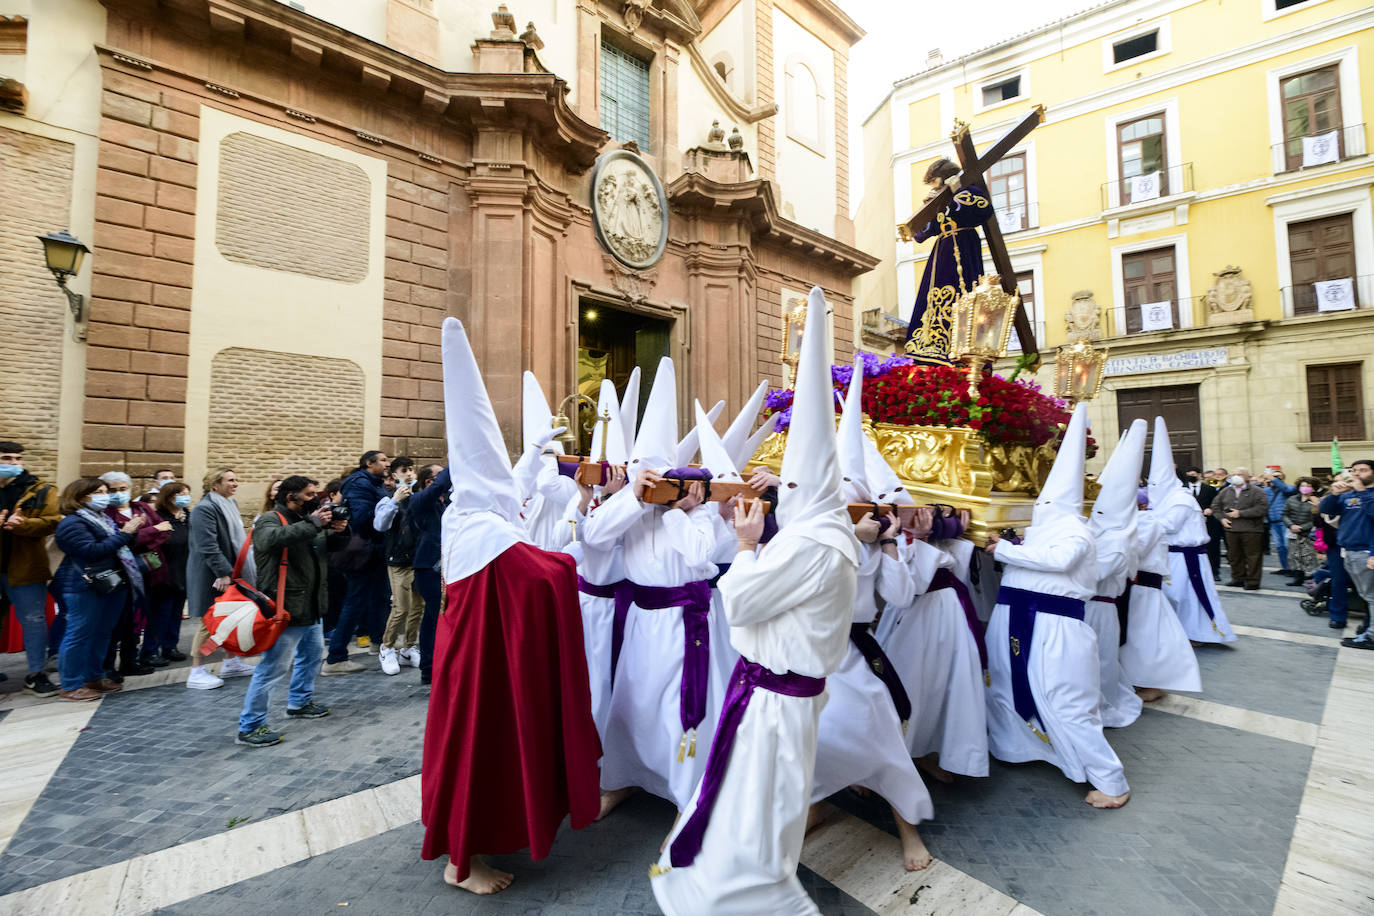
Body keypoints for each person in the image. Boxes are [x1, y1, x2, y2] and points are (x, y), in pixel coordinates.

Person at [651, 286, 862, 914]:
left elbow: (741, 602)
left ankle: (763, 902)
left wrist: (745, 545)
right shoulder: (821, 531)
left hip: (776, 697)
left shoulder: (815, 542)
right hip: (773, 692)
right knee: (752, 808)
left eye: (788, 484)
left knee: (760, 815)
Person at [421, 317, 599, 894]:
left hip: (471, 662)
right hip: (481, 669)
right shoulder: (491, 535)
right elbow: (541, 576)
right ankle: (461, 865)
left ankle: (464, 849)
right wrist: (571, 557)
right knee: (476, 748)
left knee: (468, 749)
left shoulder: (464, 519)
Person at [809, 360, 932, 871]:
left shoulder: (878, 543)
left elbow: (900, 598)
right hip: (813, 651)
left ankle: (908, 827)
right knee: (806, 737)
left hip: (857, 652)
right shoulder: (813, 537)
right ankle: (813, 804)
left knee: (879, 735)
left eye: (856, 506)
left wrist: (895, 547)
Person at [984, 403, 1130, 809]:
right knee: (1006, 688)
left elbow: (1060, 561)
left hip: (1055, 627)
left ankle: (1112, 782)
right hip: (1013, 617)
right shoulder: (1039, 530)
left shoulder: (1076, 532)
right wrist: (1009, 546)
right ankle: (1021, 748)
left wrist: (1005, 552)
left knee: (1067, 701)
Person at [235, 475, 348, 747]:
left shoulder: (309, 521)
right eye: (309, 495)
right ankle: (250, 726)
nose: (316, 499)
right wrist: (314, 524)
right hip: (285, 609)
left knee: (310, 657)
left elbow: (329, 550)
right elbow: (270, 541)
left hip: (310, 606)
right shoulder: (270, 520)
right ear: (290, 497)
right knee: (273, 668)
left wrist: (341, 531)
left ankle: (299, 701)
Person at [51, 478, 144, 701]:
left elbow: (117, 546)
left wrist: (129, 533)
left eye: (105, 491)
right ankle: (71, 684)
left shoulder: (102, 519)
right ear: (82, 497)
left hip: (110, 583)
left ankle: (94, 676)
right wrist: (125, 533)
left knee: (103, 632)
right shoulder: (73, 523)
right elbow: (92, 551)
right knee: (78, 634)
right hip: (83, 585)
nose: (106, 496)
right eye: (99, 492)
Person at [903, 158, 994, 366]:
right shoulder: (939, 200)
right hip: (942, 252)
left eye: (935, 181)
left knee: (964, 295)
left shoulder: (970, 190)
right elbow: (920, 235)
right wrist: (927, 208)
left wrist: (957, 192)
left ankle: (965, 346)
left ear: (945, 178)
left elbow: (984, 210)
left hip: (964, 246)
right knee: (936, 296)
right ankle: (933, 346)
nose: (934, 187)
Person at [1084, 421, 1145, 729]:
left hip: (1101, 606)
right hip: (1083, 605)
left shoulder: (1120, 539)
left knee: (1103, 661)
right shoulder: (1092, 528)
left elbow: (1094, 572)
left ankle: (1102, 704)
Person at [1152, 422, 1235, 644]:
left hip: (1186, 557)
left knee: (1187, 596)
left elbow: (1169, 525)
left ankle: (1198, 633)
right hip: (1172, 555)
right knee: (1174, 596)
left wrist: (1140, 521)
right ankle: (1180, 632)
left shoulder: (1180, 499)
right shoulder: (1168, 498)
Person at [0, 441, 62, 697]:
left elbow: (52, 522)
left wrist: (22, 524)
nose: (13, 463)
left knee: (34, 620)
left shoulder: (40, 489)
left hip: (25, 566)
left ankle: (36, 674)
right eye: (6, 458)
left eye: (17, 459)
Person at [185, 468, 256, 689]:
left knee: (231, 618)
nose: (236, 484)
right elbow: (208, 546)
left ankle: (231, 662)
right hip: (213, 574)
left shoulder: (230, 504)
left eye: (236, 480)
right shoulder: (204, 509)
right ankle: (196, 670)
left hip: (233, 571)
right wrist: (223, 572)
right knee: (210, 621)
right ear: (215, 484)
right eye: (230, 480)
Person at [99, 472, 170, 677]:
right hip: (122, 574)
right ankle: (108, 666)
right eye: (112, 490)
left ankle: (130, 661)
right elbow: (122, 539)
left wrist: (139, 538)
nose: (118, 494)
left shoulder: (142, 507)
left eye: (122, 489)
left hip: (149, 572)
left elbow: (165, 531)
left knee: (138, 619)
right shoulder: (106, 513)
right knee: (118, 621)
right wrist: (150, 532)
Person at [326, 450, 391, 671]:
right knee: (355, 602)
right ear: (368, 463)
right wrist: (389, 508)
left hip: (375, 550)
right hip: (362, 552)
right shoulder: (359, 483)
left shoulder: (374, 483)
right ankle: (336, 658)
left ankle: (378, 642)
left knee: (380, 598)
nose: (387, 463)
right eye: (382, 460)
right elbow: (362, 517)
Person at [374, 457, 424, 675]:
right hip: (399, 562)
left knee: (417, 608)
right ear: (395, 475)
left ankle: (409, 646)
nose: (410, 474)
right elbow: (380, 525)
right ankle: (387, 647)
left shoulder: (419, 498)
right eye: (405, 470)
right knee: (401, 607)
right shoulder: (386, 499)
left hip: (419, 560)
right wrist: (394, 501)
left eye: (412, 469)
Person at [407, 463, 447, 687]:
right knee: (436, 615)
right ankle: (430, 667)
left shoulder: (443, 503)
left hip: (442, 566)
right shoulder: (420, 500)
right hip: (428, 566)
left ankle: (431, 666)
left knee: (434, 617)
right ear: (429, 482)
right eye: (438, 476)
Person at [145, 481, 193, 664]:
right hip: (164, 573)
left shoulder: (187, 516)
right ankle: (150, 651)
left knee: (176, 612)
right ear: (169, 496)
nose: (184, 497)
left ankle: (170, 646)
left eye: (187, 493)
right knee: (160, 614)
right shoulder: (157, 518)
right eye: (180, 493)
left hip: (183, 570)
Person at [1333, 461, 1374, 648]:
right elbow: (1327, 510)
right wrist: (1334, 494)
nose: (1357, 474)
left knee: (1371, 596)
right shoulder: (1349, 495)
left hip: (1366, 551)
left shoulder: (1368, 494)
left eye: (1363, 471)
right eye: (1354, 471)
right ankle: (1368, 631)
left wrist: (1361, 491)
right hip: (1349, 550)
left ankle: (1371, 637)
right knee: (1367, 595)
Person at [1213, 468, 1267, 591]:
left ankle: (1253, 581)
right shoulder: (1226, 491)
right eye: (1235, 474)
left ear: (1247, 477)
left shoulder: (1257, 491)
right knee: (1234, 556)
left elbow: (1262, 508)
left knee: (1253, 556)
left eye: (1240, 475)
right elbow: (1216, 506)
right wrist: (1222, 519)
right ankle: (1238, 578)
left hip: (1251, 529)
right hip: (1231, 529)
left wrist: (1241, 513)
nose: (1237, 477)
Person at [1319, 474, 1354, 629]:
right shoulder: (1338, 496)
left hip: (1362, 545)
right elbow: (1325, 512)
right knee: (1338, 580)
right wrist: (1335, 494)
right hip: (1337, 545)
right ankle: (1338, 615)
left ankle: (1368, 620)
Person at [1182, 466, 1223, 579]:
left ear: (1199, 475)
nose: (1191, 477)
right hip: (1189, 523)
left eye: (1193, 475)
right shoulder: (1182, 488)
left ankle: (1214, 571)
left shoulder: (1209, 488)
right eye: (1189, 475)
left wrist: (1211, 509)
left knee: (1212, 546)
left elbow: (1216, 502)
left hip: (1208, 522)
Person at [1282, 478, 1323, 586]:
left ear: (1313, 488)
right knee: (1295, 555)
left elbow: (1316, 519)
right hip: (1292, 531)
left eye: (1308, 486)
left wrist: (1301, 527)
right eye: (1303, 485)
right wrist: (1291, 525)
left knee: (1309, 556)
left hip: (1308, 533)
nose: (1305, 488)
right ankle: (1298, 578)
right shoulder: (1292, 499)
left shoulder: (1317, 501)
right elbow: (1285, 514)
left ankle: (1312, 578)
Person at [1259, 470, 1297, 575]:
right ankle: (1285, 567)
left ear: (1283, 478)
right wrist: (1259, 482)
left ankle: (1293, 569)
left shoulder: (1290, 488)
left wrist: (1274, 479)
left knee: (1287, 545)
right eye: (1273, 476)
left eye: (1278, 476)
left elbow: (1285, 489)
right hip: (1273, 522)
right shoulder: (1267, 490)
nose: (1274, 478)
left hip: (1286, 522)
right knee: (1279, 546)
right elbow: (1256, 493)